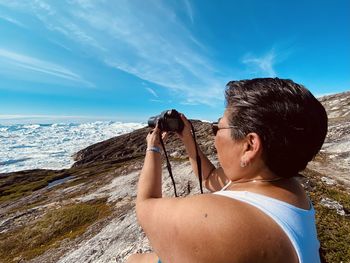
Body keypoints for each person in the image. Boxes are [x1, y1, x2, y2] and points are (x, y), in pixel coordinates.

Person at [126, 78, 327, 263]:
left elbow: (146, 207)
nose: (215, 138)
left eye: (217, 128)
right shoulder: (286, 186)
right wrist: (187, 138)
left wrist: (153, 148)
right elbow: (211, 178)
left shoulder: (219, 223)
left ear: (249, 145)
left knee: (134, 260)